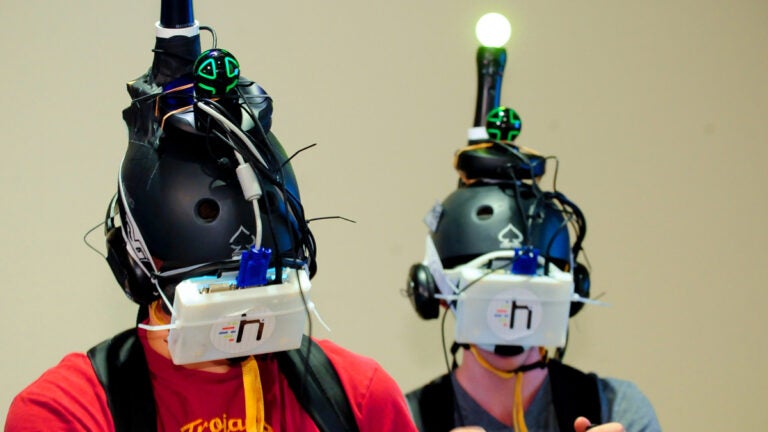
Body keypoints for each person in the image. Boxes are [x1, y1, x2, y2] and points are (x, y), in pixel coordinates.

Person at [5, 4, 417, 432]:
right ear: (140, 265)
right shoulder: (67, 412)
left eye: (255, 283)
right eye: (213, 286)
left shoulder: (359, 397)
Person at [404, 107, 661, 432]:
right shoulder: (404, 420)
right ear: (436, 292)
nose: (511, 305)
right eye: (490, 283)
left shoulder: (616, 408)